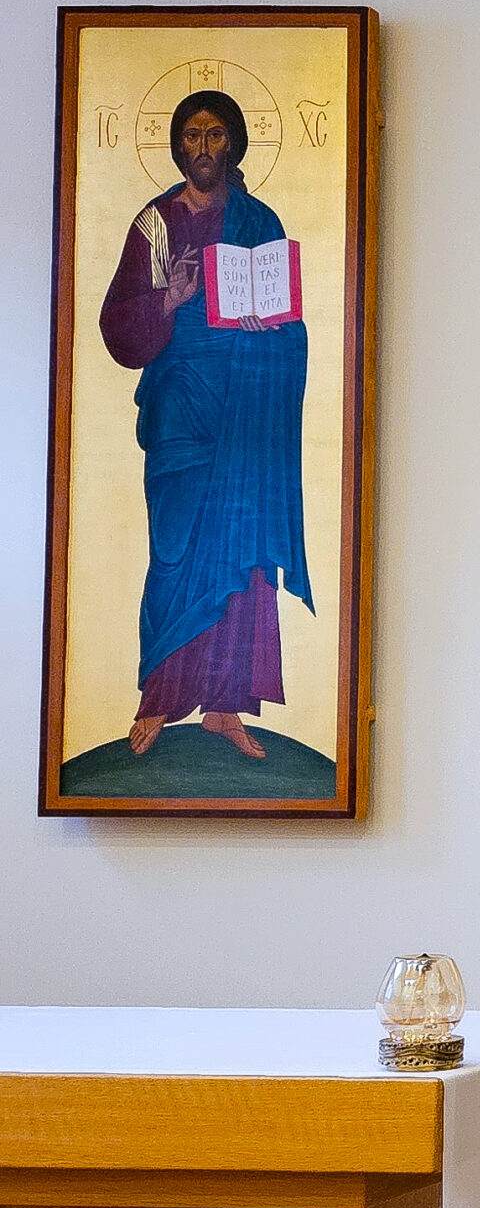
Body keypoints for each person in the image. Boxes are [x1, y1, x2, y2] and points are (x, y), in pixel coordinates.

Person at [98, 88, 310, 760]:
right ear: (177, 146)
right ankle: (158, 701)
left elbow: (291, 323)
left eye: (216, 135)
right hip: (181, 408)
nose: (204, 148)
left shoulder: (259, 220)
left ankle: (223, 707)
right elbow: (117, 327)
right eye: (193, 135)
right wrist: (170, 298)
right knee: (174, 553)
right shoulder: (155, 225)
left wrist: (268, 327)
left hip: (243, 411)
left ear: (235, 143)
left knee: (239, 559)